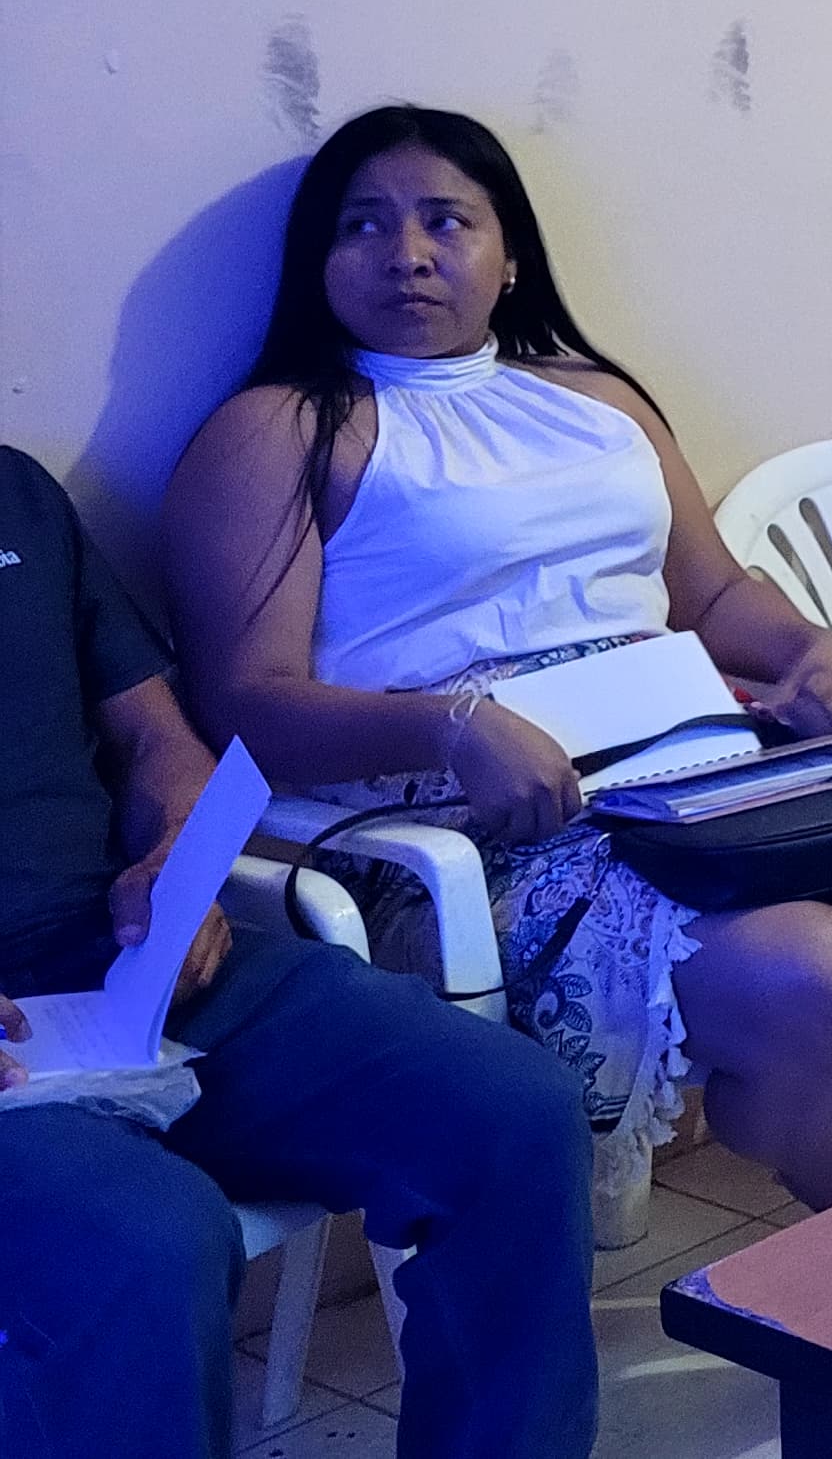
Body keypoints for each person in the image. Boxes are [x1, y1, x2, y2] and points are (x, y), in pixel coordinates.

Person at [165, 106, 832, 1233]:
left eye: (446, 221)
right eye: (362, 225)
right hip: (481, 818)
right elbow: (245, 706)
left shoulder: (596, 401)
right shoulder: (281, 430)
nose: (406, 253)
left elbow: (712, 595)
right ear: (316, 260)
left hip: (690, 771)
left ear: (510, 255)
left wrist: (807, 648)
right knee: (817, 975)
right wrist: (452, 724)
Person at [0, 449, 596, 1459]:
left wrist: (178, 863)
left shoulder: (16, 494)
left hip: (127, 965)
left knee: (513, 1110)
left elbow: (156, 740)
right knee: (149, 1241)